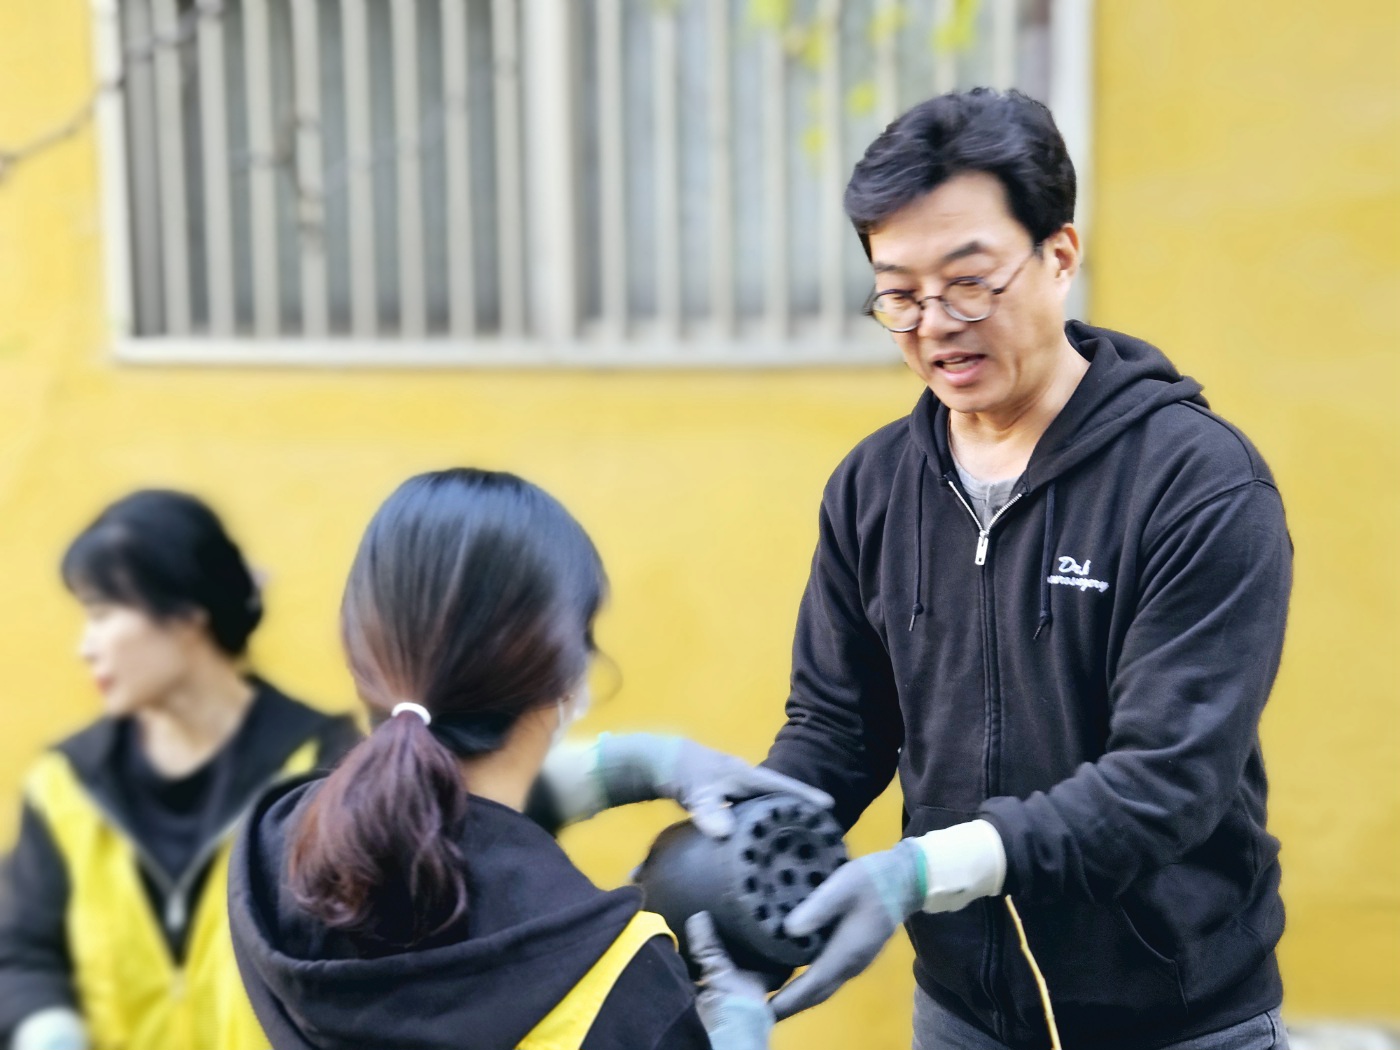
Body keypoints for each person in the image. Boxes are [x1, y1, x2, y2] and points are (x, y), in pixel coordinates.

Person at [697, 89, 1291, 1049]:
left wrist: (921, 871)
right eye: (898, 292)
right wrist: (744, 854)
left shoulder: (1197, 484)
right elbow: (838, 729)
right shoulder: (873, 487)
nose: (935, 322)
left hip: (1178, 1020)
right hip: (965, 1015)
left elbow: (1165, 783)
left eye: (969, 281)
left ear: (1060, 254)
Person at [227, 468, 822, 1050]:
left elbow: (442, 811)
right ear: (569, 677)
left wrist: (619, 767)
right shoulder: (615, 981)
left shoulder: (265, 855)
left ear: (363, 655)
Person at [0, 490, 361, 1050]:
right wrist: (48, 1027)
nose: (85, 648)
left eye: (100, 615)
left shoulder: (326, 770)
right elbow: (23, 950)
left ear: (187, 616)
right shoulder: (64, 784)